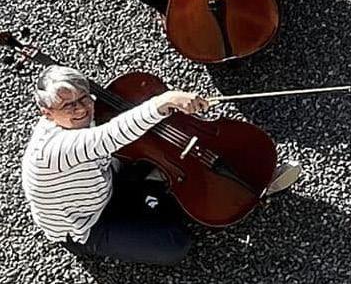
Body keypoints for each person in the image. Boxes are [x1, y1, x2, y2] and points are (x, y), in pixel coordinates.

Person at [21, 65, 301, 264]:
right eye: (68, 106)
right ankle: (165, 198)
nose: (81, 109)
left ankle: (229, 186)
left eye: (84, 98)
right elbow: (109, 135)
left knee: (156, 156)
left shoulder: (75, 120)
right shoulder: (54, 150)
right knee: (175, 245)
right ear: (47, 113)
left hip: (104, 183)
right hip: (86, 223)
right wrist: (164, 101)